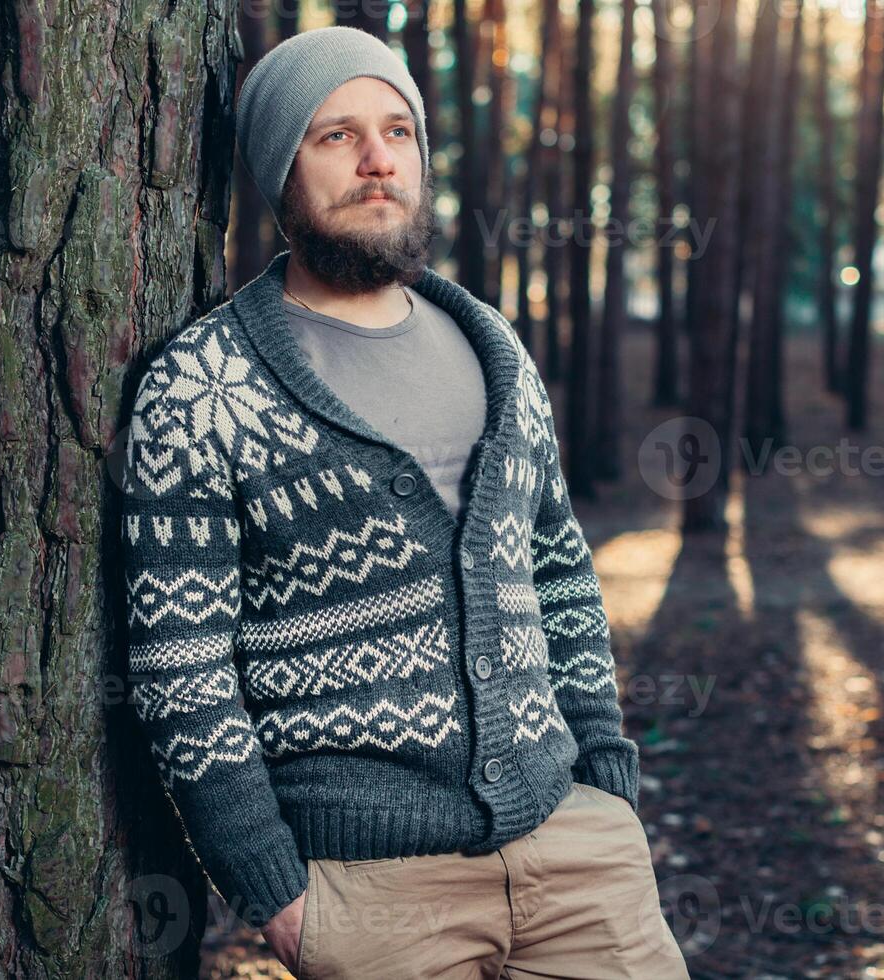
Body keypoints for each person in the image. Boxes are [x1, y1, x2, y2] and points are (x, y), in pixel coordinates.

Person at [119, 25, 691, 979]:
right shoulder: (205, 384)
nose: (378, 160)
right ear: (281, 169)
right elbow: (181, 665)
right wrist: (275, 889)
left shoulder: (493, 350)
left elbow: (560, 575)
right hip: (370, 893)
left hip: (582, 862)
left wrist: (608, 783)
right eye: (336, 136)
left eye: (397, 131)